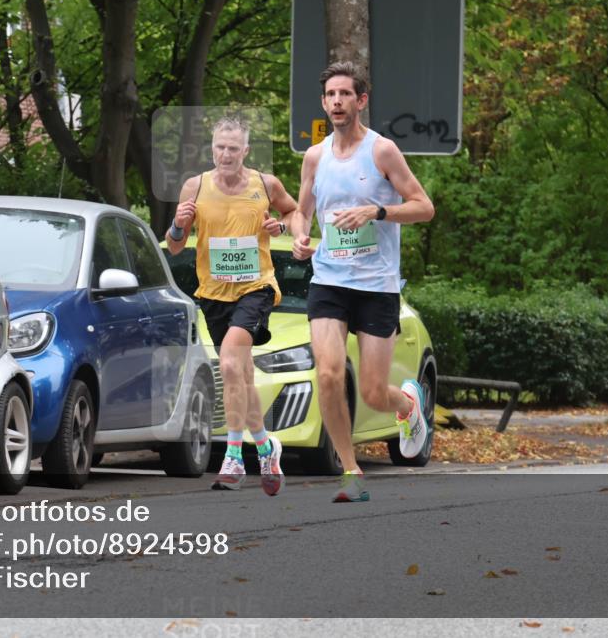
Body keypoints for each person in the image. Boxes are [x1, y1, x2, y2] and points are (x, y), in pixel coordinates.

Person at [290, 61, 435, 502]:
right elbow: (302, 210)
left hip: (376, 285)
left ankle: (409, 406)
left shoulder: (382, 152)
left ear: (361, 101)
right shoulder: (314, 156)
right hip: (329, 280)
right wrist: (299, 234)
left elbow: (424, 207)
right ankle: (350, 472)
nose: (337, 101)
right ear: (323, 102)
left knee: (373, 393)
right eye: (330, 95)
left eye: (345, 94)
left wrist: (378, 211)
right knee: (330, 374)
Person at [167, 116, 298, 495]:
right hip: (212, 293)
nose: (225, 154)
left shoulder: (265, 184)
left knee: (227, 363)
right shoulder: (196, 186)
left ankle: (234, 457)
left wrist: (282, 227)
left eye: (233, 148)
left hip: (256, 287)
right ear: (212, 149)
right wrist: (178, 224)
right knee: (241, 373)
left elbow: (293, 212)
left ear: (245, 151)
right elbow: (175, 244)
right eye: (219, 148)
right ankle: (266, 444)